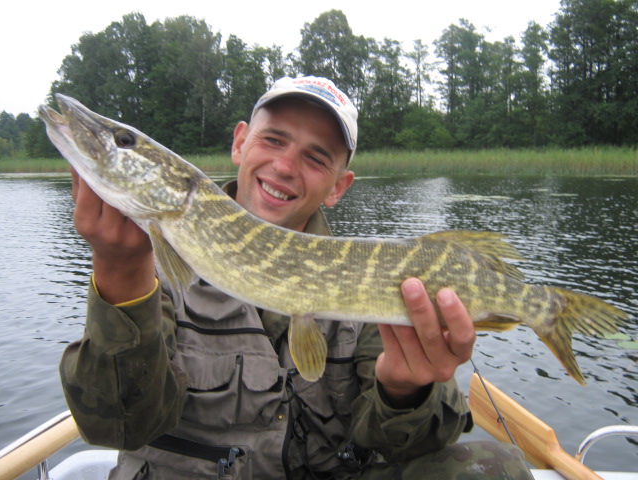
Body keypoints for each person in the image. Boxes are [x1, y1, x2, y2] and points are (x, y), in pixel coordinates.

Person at [60, 76, 533, 479]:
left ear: (338, 186)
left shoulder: (365, 273)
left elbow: (411, 445)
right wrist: (121, 274)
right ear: (240, 142)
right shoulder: (153, 272)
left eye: (316, 157)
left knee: (496, 467)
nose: (285, 167)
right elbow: (115, 426)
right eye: (273, 140)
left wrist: (406, 392)